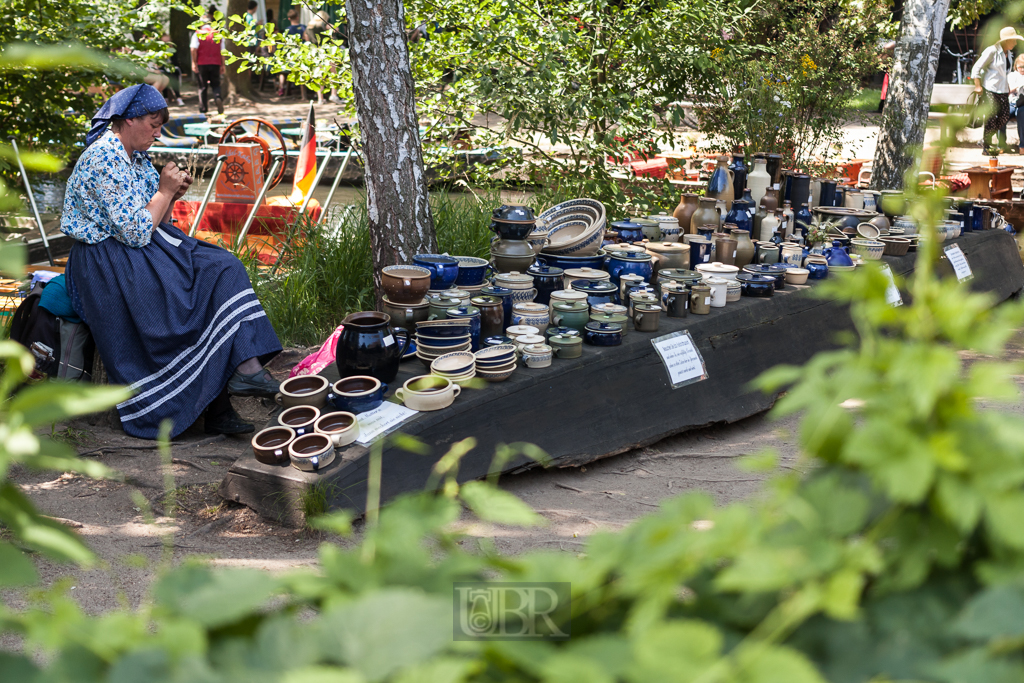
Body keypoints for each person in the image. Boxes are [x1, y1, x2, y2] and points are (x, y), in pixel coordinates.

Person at [60, 84, 282, 438]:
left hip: (135, 250)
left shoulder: (136, 158)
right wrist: (163, 191)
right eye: (153, 123)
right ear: (129, 120)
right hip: (104, 261)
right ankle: (222, 399)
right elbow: (134, 231)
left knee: (222, 267)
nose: (157, 132)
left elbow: (155, 222)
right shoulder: (103, 157)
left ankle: (242, 375)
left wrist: (170, 195)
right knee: (184, 299)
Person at [971, 26, 1024, 154]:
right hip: (990, 89)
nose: (1015, 43)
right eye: (1014, 40)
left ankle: (985, 140)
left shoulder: (1009, 54)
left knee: (1004, 116)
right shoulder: (992, 51)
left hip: (1003, 91)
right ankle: (986, 147)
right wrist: (978, 86)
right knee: (991, 117)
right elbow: (976, 69)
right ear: (1007, 40)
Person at [190, 12, 225, 115]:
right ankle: (218, 98)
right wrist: (223, 65)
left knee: (202, 86)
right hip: (215, 63)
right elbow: (222, 51)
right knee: (216, 84)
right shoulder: (218, 34)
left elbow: (193, 49)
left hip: (202, 63)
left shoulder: (197, 33)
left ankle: (203, 109)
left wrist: (194, 62)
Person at [305, 11, 339, 104]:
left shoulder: (309, 26)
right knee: (333, 73)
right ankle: (334, 95)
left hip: (316, 52)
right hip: (328, 51)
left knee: (320, 76)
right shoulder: (325, 25)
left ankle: (320, 99)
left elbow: (307, 39)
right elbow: (336, 29)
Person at [277, 8, 307, 97]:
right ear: (298, 17)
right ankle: (303, 95)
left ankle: (281, 88)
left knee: (282, 71)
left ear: (289, 19)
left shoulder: (286, 30)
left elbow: (284, 45)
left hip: (289, 58)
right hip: (301, 57)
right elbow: (306, 40)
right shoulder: (303, 28)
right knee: (302, 70)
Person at [1009, 54, 1024, 154]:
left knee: (1022, 115)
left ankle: (1022, 146)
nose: (1022, 69)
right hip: (1012, 101)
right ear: (1016, 66)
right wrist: (1019, 86)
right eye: (1020, 67)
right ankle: (1001, 144)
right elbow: (1009, 90)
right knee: (1002, 114)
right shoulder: (1012, 75)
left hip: (1022, 103)